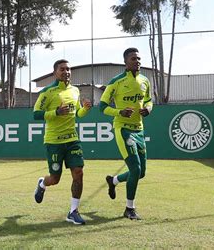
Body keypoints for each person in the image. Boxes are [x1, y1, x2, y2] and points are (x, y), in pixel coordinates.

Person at [33, 59, 92, 225]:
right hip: (54, 142)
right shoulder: (47, 92)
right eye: (62, 69)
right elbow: (36, 114)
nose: (66, 72)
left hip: (72, 139)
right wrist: (56, 112)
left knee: (78, 173)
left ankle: (73, 211)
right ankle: (42, 183)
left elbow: (78, 114)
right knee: (55, 179)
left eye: (68, 69)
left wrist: (85, 109)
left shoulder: (75, 90)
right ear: (55, 73)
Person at [99, 47, 153, 220]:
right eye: (133, 59)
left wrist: (148, 109)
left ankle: (113, 181)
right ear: (125, 62)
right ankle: (130, 208)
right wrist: (119, 112)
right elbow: (102, 106)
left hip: (139, 129)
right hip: (123, 129)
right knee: (135, 168)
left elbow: (149, 100)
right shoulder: (116, 81)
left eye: (138, 58)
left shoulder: (145, 80)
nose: (137, 61)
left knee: (141, 172)